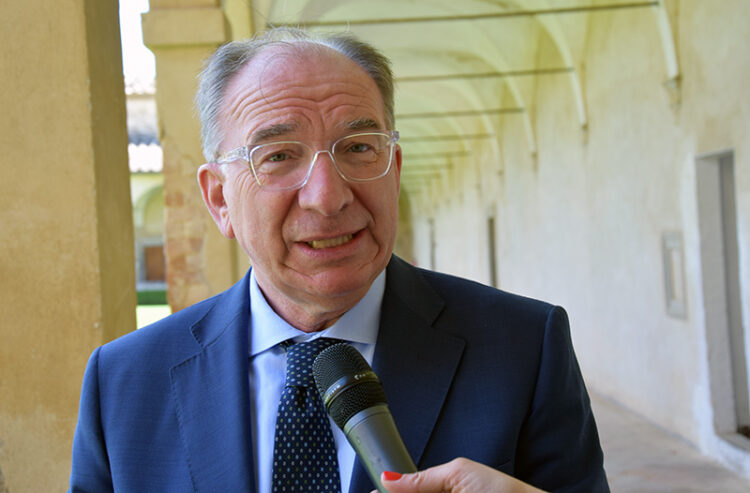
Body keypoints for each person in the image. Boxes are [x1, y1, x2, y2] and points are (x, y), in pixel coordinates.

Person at [69, 28, 609, 492]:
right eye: (279, 155)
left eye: (358, 148)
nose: (327, 196)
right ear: (219, 200)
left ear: (394, 169)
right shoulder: (124, 383)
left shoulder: (525, 349)